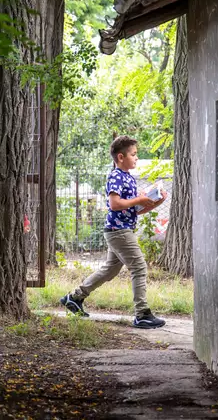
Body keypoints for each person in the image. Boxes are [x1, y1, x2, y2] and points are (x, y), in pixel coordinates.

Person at [60, 136, 167, 329]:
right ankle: (142, 314)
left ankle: (74, 298)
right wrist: (139, 199)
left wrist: (155, 201)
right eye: (133, 154)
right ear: (120, 157)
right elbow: (115, 204)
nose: (137, 158)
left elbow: (134, 209)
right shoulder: (116, 176)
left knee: (110, 269)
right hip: (118, 231)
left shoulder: (129, 178)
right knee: (139, 267)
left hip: (121, 229)